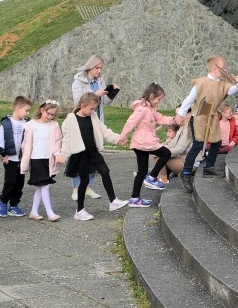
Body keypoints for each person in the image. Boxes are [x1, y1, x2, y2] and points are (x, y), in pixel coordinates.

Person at [175, 56, 238, 193]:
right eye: (223, 68)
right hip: (199, 117)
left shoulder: (222, 84)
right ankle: (186, 173)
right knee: (198, 145)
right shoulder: (201, 82)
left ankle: (209, 167)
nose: (225, 70)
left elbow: (233, 91)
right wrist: (180, 114)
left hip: (212, 117)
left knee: (217, 142)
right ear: (214, 69)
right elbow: (189, 99)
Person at [61, 92, 129, 220]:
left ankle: (113, 201)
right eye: (91, 108)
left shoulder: (93, 117)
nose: (93, 111)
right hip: (80, 154)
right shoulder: (71, 119)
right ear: (83, 105)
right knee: (84, 181)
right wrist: (63, 155)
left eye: (94, 109)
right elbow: (67, 138)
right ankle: (79, 211)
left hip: (93, 152)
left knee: (105, 171)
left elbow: (104, 131)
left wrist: (118, 139)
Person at [117, 83, 175, 208]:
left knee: (142, 171)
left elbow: (161, 118)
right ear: (152, 96)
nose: (159, 102)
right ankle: (152, 177)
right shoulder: (142, 109)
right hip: (144, 142)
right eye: (158, 99)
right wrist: (122, 137)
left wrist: (174, 120)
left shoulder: (150, 109)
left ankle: (135, 198)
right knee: (166, 153)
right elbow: (130, 123)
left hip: (141, 143)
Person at [69, 55, 117, 200]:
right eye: (97, 68)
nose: (99, 71)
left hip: (96, 119)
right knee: (79, 154)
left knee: (93, 154)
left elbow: (105, 102)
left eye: (101, 68)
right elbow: (78, 102)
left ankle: (88, 187)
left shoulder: (99, 81)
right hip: (82, 121)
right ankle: (76, 188)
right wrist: (95, 94)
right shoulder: (78, 82)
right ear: (90, 67)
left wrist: (112, 92)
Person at [20, 100, 63, 221]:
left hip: (48, 160)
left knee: (41, 186)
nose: (50, 116)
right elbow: (26, 143)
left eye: (52, 115)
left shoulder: (54, 125)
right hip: (36, 159)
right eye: (48, 113)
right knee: (45, 186)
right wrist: (25, 158)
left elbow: (57, 141)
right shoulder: (31, 125)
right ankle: (50, 213)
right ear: (42, 110)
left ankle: (34, 211)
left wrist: (57, 154)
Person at [0, 95, 32, 218]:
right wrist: (3, 155)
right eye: (26, 110)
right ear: (17, 108)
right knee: (10, 182)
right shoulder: (6, 123)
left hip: (22, 159)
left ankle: (14, 205)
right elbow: (0, 141)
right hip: (10, 159)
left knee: (19, 183)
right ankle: (2, 201)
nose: (28, 113)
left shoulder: (27, 124)